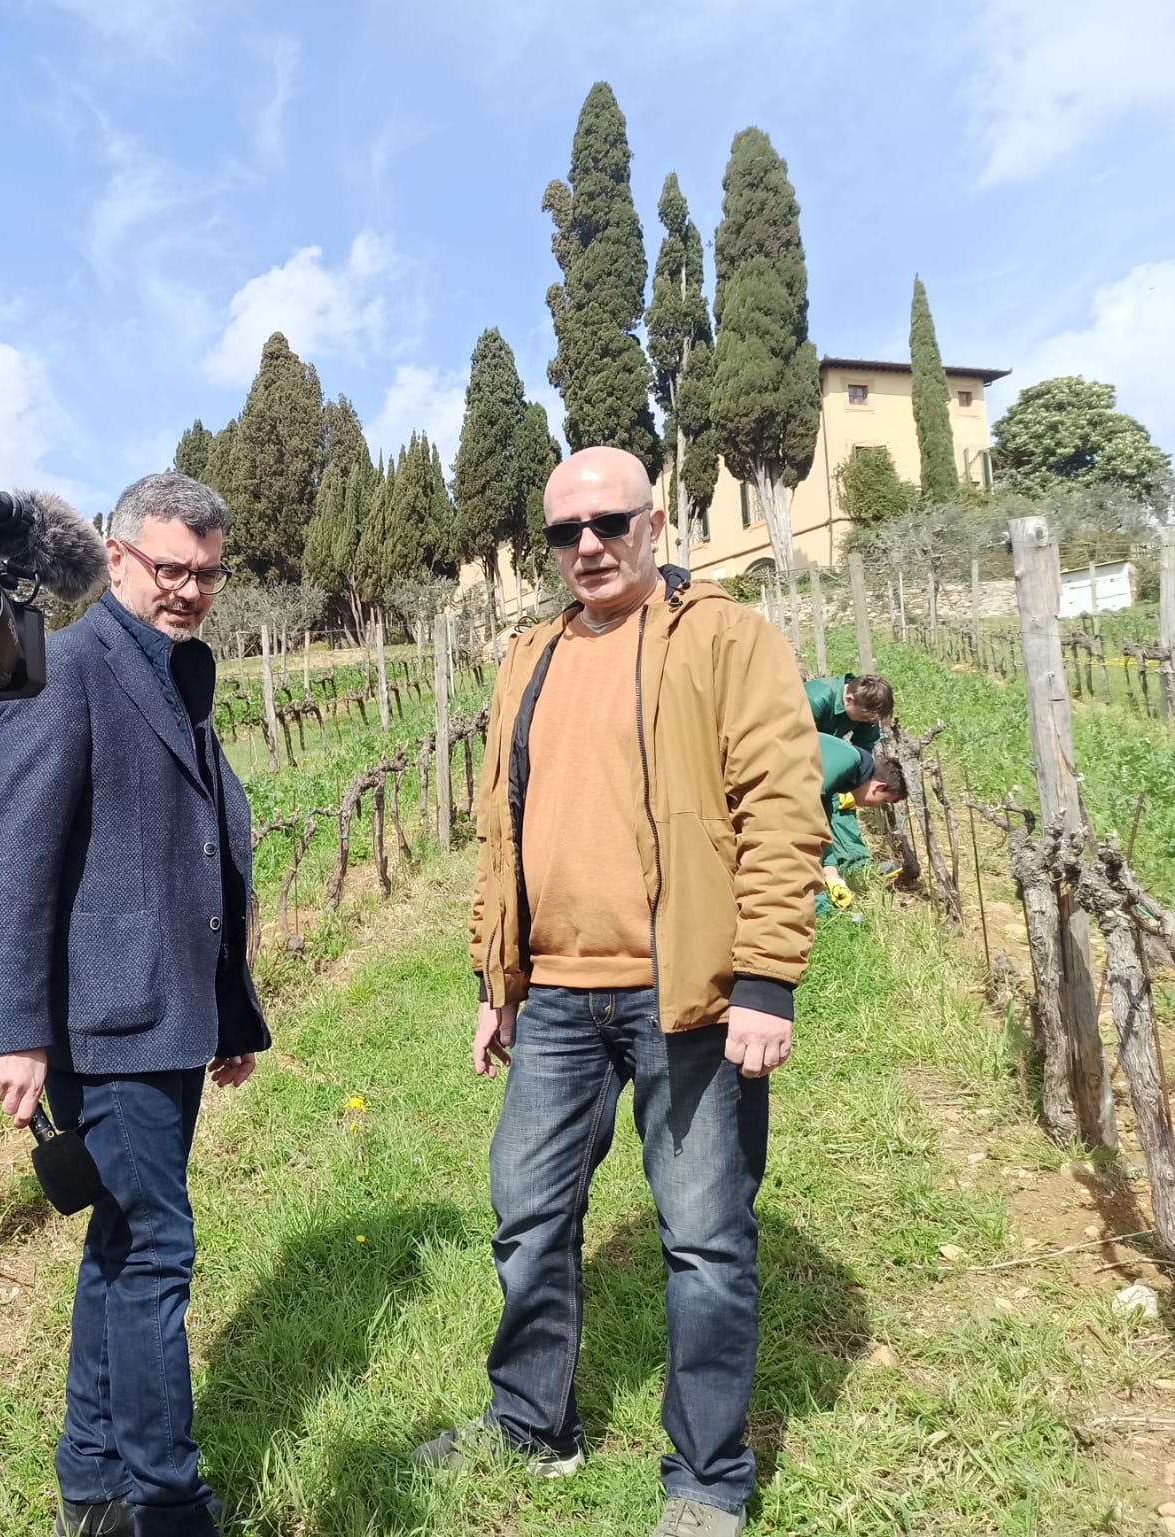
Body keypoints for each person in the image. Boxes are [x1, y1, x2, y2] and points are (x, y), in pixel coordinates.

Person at [420, 446, 824, 1537]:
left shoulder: (725, 639)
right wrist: (489, 979)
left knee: (701, 1238)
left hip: (684, 994)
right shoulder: (529, 655)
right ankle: (529, 1425)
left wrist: (765, 979)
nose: (587, 545)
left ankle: (704, 1478)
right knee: (526, 1216)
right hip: (549, 995)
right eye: (564, 532)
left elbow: (781, 811)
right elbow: (499, 828)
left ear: (652, 524)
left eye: (607, 523)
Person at [0, 472, 269, 1537]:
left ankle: (92, 1483)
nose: (187, 590)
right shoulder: (69, 666)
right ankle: (162, 1502)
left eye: (205, 574)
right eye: (168, 568)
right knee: (154, 1252)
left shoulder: (181, 667)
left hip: (167, 1011)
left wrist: (227, 1012)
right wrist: (10, 1028)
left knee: (119, 1241)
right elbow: (13, 849)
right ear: (116, 556)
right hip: (106, 1018)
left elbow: (195, 847)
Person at [816, 733, 908, 913]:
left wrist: (832, 875)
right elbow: (803, 808)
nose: (879, 806)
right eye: (884, 801)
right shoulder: (848, 760)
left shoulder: (840, 781)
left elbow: (820, 830)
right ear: (878, 787)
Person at [805, 670, 893, 752]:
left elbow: (865, 746)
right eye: (863, 718)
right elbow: (797, 741)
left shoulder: (865, 707)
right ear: (849, 699)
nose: (866, 721)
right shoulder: (814, 701)